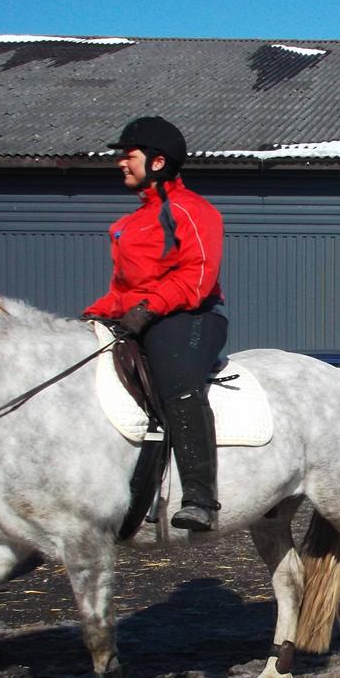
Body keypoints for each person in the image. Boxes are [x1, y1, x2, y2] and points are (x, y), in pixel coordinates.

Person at [84, 116, 227, 532]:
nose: (121, 164)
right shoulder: (128, 226)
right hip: (140, 317)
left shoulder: (195, 211)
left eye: (128, 156)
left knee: (175, 374)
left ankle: (200, 496)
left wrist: (149, 308)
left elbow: (197, 276)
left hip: (192, 315)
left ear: (158, 162)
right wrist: (92, 315)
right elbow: (120, 290)